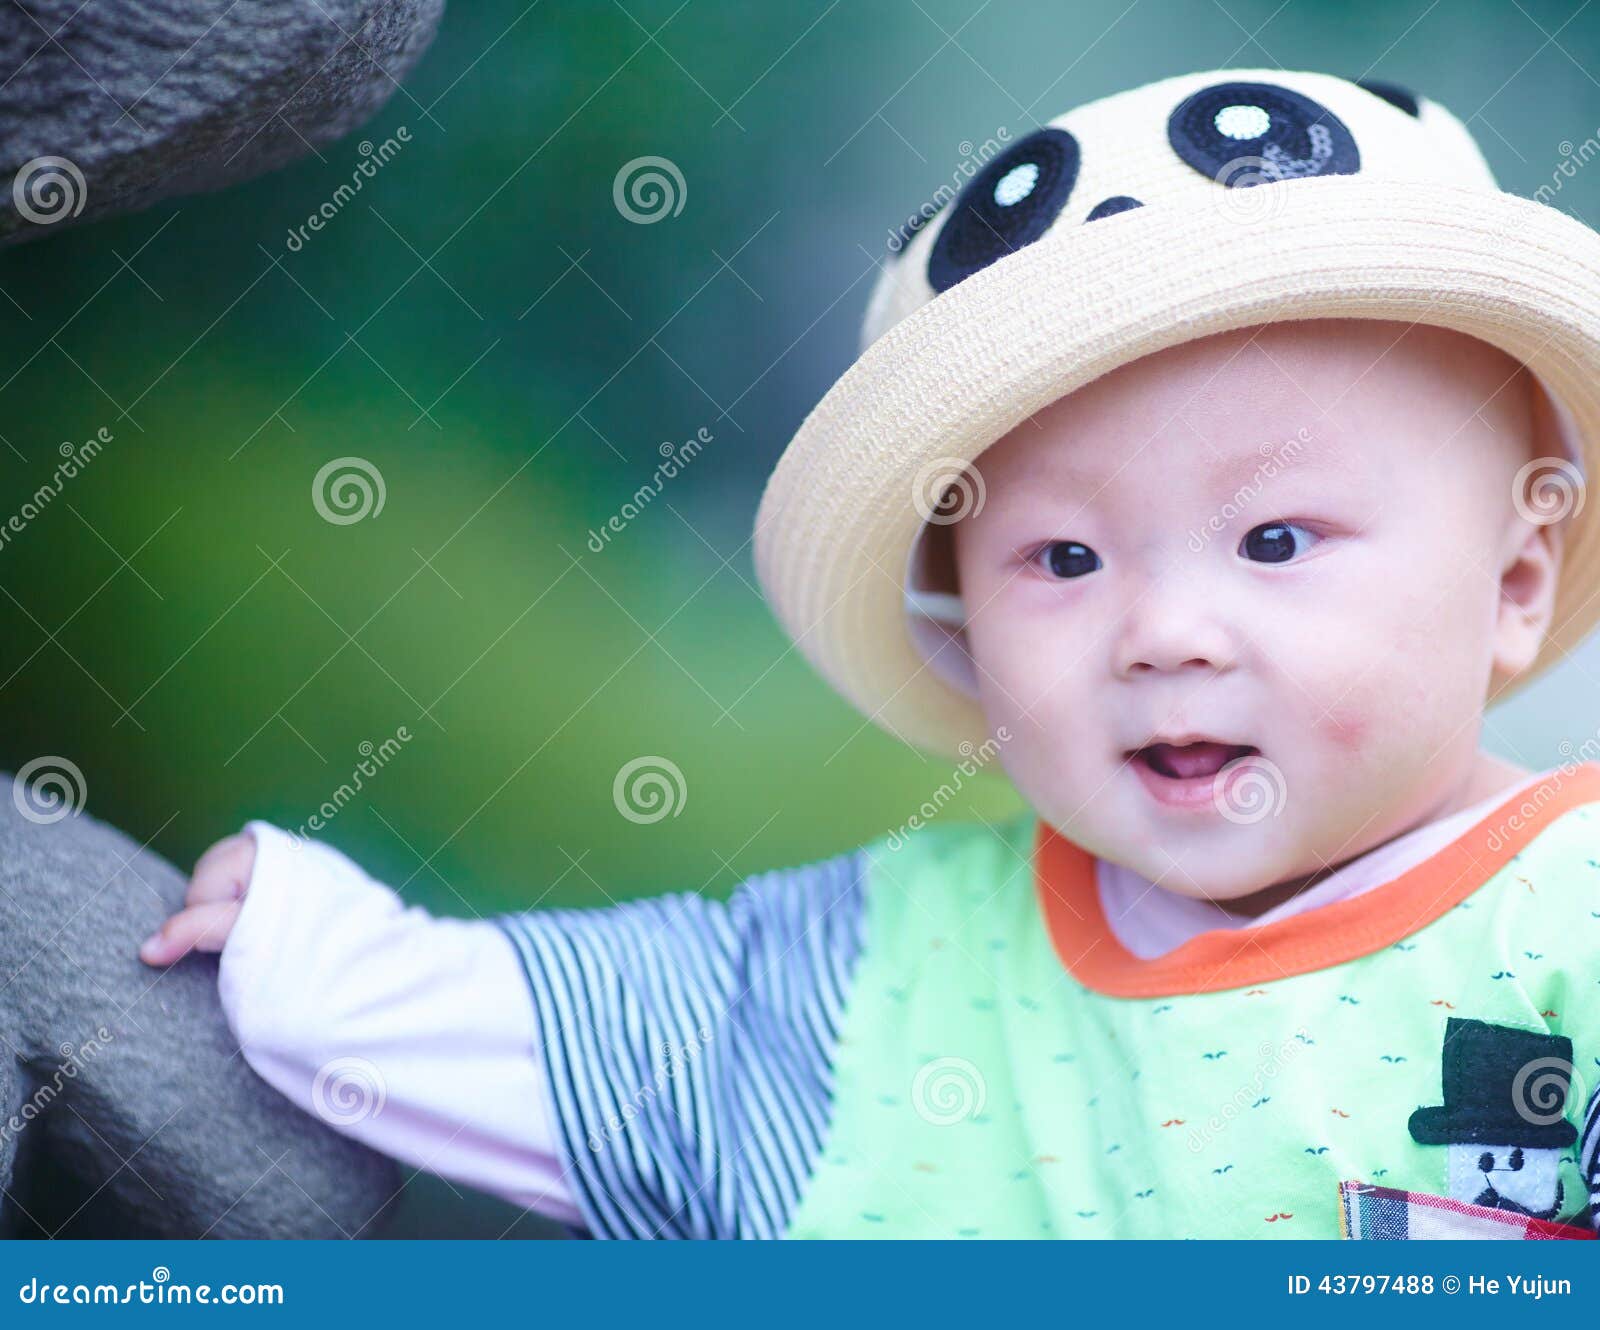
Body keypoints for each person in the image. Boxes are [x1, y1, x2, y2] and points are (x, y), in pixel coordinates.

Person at [139, 68, 1600, 1240]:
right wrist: (325, 954)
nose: (1160, 633)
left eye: (1276, 541)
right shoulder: (891, 971)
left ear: (1517, 577)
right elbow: (632, 1045)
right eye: (1064, 560)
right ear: (962, 633)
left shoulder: (1567, 921)